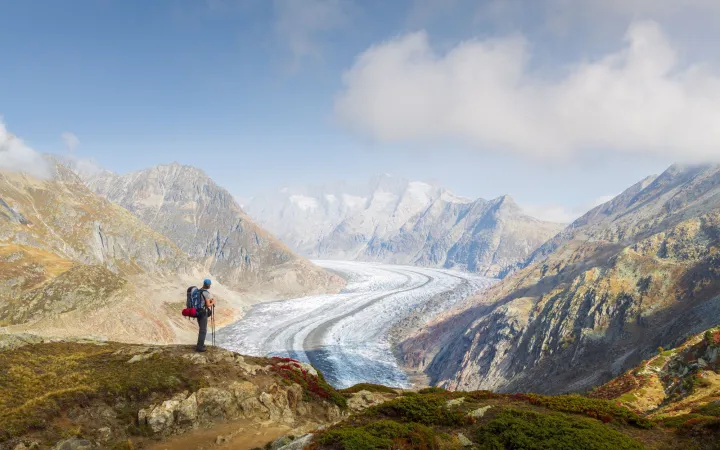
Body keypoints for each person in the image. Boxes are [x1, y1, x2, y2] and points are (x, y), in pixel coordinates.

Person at [196, 278, 216, 352]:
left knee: (201, 328)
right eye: (209, 285)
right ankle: (200, 347)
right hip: (203, 312)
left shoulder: (198, 291)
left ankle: (200, 344)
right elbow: (208, 305)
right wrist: (213, 302)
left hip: (197, 312)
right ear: (208, 285)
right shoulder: (206, 293)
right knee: (203, 330)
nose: (209, 286)